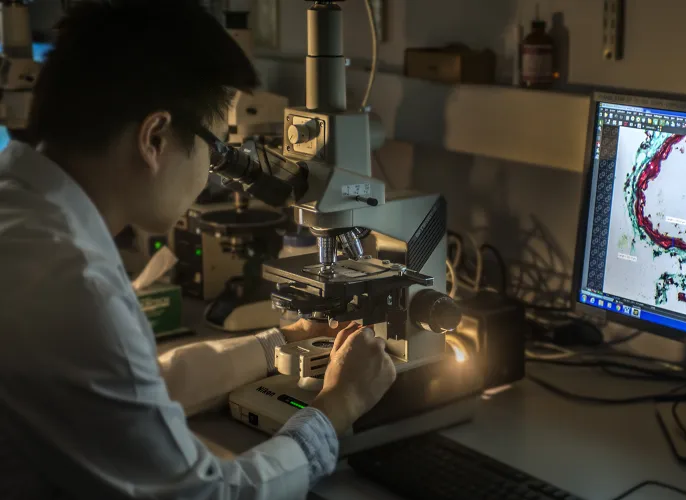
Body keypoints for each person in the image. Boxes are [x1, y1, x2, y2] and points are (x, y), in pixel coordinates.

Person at [0, 1, 397, 498]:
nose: (215, 163)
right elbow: (208, 495)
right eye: (216, 144)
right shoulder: (74, 287)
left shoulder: (24, 219)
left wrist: (285, 339)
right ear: (155, 137)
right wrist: (340, 404)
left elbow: (139, 391)